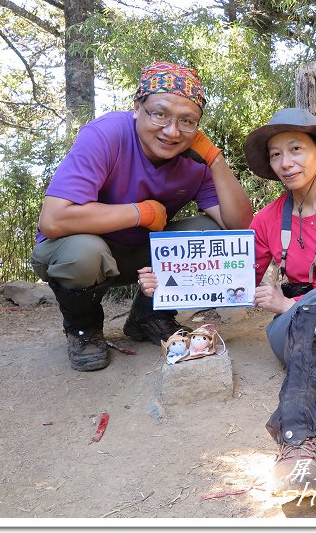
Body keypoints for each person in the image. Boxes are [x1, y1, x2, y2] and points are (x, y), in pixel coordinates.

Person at [140, 108, 316, 497]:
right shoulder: (266, 220)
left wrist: (291, 303)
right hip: (299, 324)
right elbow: (232, 280)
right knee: (311, 304)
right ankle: (300, 442)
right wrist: (168, 282)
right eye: (276, 154)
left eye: (296, 149)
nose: (285, 162)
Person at [31, 62, 253, 372]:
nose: (172, 131)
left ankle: (148, 316)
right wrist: (142, 212)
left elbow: (238, 227)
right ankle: (82, 329)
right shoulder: (106, 135)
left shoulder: (195, 157)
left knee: (207, 231)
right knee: (85, 252)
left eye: (187, 121)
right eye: (160, 114)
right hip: (73, 253)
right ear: (137, 107)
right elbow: (53, 221)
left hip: (137, 256)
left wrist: (215, 160)